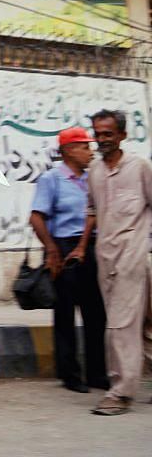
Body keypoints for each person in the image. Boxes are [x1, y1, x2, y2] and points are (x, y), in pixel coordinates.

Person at [67, 110, 152, 416]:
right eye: (98, 134)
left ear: (122, 136)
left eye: (108, 134)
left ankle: (120, 393)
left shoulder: (140, 167)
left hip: (134, 256)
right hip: (106, 256)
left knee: (119, 324)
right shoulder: (95, 172)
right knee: (143, 325)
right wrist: (81, 246)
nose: (102, 139)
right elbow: (92, 210)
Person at [29, 127, 108, 394]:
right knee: (64, 313)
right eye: (85, 147)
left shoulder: (93, 178)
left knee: (96, 313)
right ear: (69, 151)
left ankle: (97, 373)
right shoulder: (51, 179)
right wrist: (52, 250)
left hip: (91, 247)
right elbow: (36, 217)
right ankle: (70, 375)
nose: (91, 152)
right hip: (63, 248)